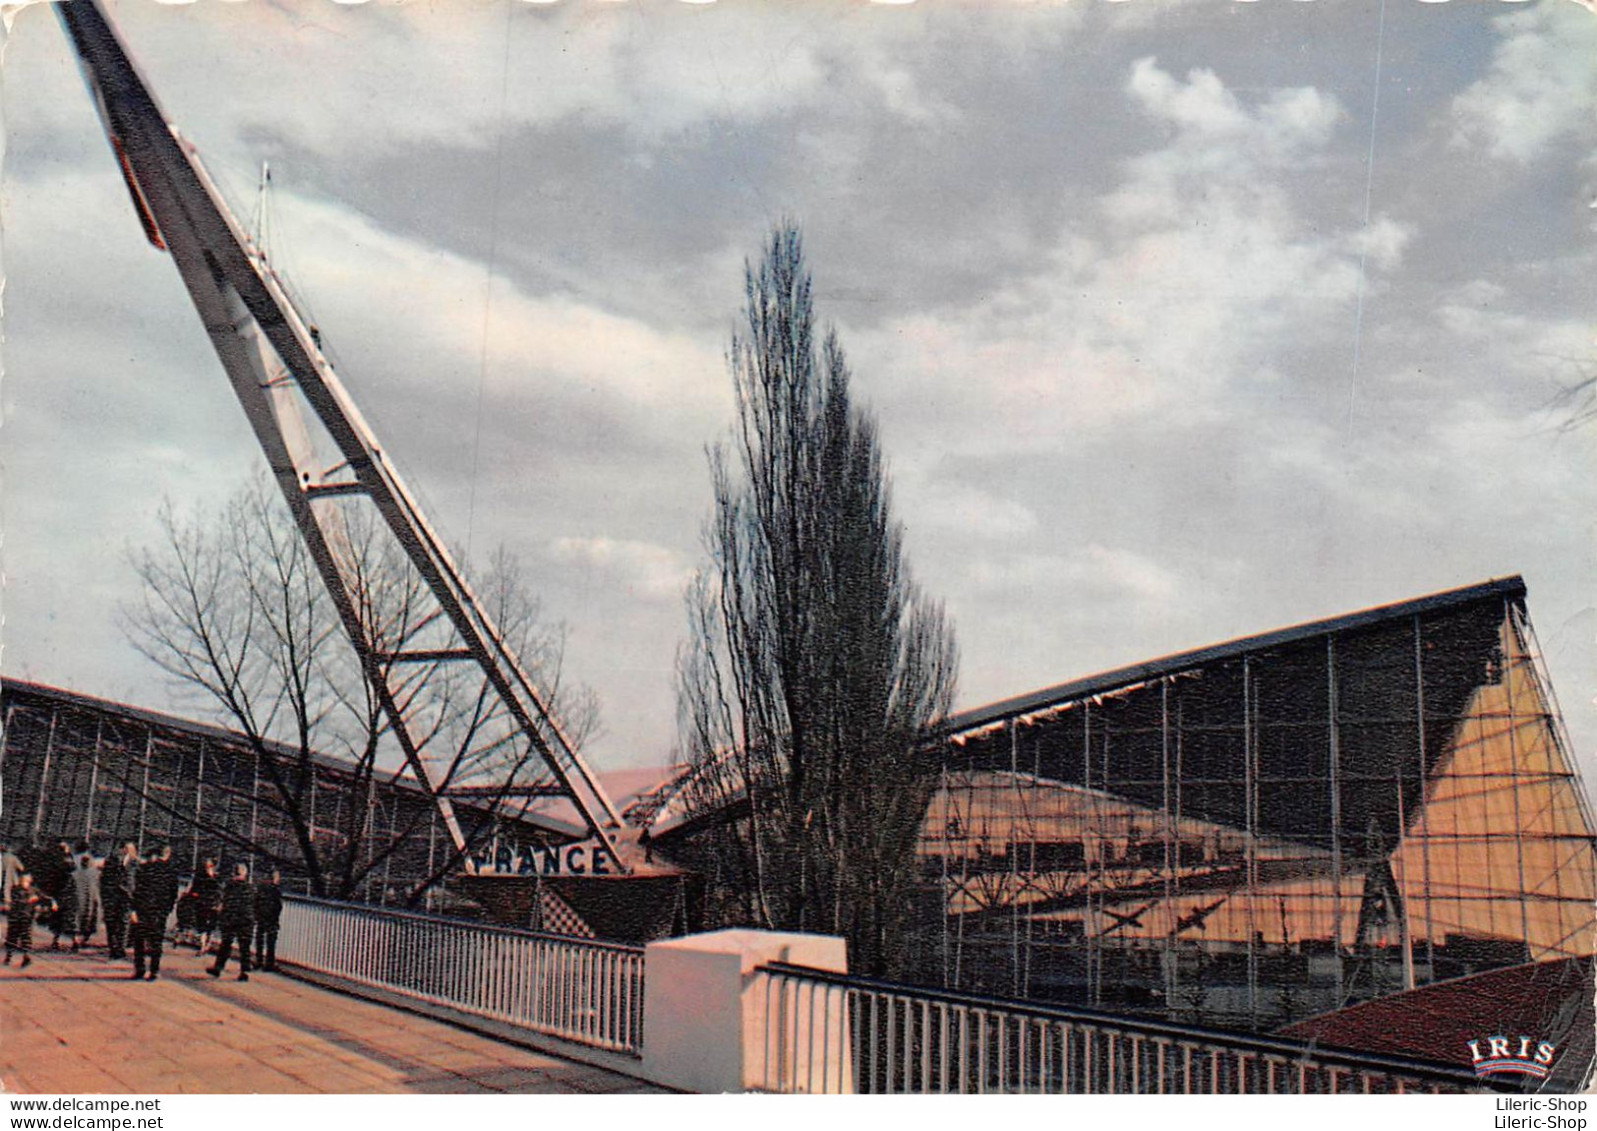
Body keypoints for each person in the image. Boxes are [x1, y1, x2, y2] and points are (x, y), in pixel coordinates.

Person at [129, 845, 179, 981]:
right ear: (168, 855)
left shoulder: (145, 869)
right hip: (159, 912)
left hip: (142, 909)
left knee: (139, 941)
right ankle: (154, 971)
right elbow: (173, 894)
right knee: (156, 941)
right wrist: (166, 910)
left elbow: (136, 891)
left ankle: (139, 969)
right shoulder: (171, 872)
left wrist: (133, 909)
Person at [208, 862, 254, 982]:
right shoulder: (251, 888)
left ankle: (218, 967)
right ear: (245, 873)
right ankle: (244, 971)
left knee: (226, 944)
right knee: (245, 946)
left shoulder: (229, 886)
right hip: (246, 919)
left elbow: (221, 900)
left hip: (230, 918)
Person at [4, 872, 50, 969]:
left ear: (30, 881)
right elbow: (15, 902)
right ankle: (8, 956)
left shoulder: (33, 890)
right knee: (12, 937)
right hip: (16, 917)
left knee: (26, 938)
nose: (23, 883)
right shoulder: (16, 890)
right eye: (22, 881)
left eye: (25, 881)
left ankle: (26, 956)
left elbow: (44, 897)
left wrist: (52, 903)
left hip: (27, 917)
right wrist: (29, 901)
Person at [102, 842, 138, 960]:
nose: (127, 851)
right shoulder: (111, 861)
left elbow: (138, 882)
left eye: (130, 849)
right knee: (111, 923)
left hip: (127, 898)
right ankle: (113, 948)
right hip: (112, 897)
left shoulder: (136, 864)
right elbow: (104, 879)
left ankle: (120, 949)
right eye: (126, 848)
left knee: (124, 923)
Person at [70, 848, 102, 952]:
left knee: (76, 921)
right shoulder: (96, 874)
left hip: (78, 901)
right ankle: (83, 940)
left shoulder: (74, 874)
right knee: (89, 920)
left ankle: (75, 940)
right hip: (91, 900)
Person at [187, 858, 220, 955]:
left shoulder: (217, 877)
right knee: (202, 926)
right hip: (202, 904)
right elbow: (193, 889)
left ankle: (207, 944)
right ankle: (202, 946)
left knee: (211, 927)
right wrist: (194, 894)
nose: (207, 868)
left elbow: (219, 891)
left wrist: (218, 902)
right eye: (206, 866)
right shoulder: (200, 877)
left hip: (212, 904)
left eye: (209, 866)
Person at [253, 869, 283, 973]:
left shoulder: (261, 888)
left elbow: (255, 901)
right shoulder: (276, 890)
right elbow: (278, 906)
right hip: (271, 918)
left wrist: (256, 915)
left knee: (260, 939)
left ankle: (258, 961)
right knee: (271, 942)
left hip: (261, 917)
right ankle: (269, 963)